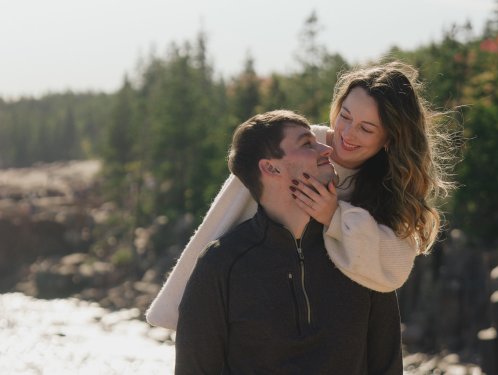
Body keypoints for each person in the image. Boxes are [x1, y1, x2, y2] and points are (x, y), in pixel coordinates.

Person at [146, 60, 453, 330]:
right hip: (254, 319)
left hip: (330, 337)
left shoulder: (390, 185)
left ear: (391, 137)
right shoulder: (292, 150)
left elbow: (395, 267)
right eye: (345, 116)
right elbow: (221, 223)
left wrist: (335, 217)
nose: (347, 134)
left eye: (366, 129)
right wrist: (182, 314)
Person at [175, 110, 403, 374]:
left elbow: (388, 367)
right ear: (270, 167)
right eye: (307, 143)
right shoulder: (219, 265)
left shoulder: (360, 250)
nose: (327, 149)